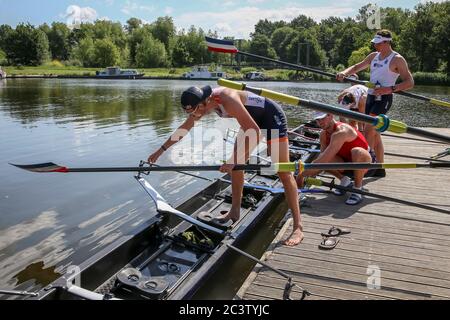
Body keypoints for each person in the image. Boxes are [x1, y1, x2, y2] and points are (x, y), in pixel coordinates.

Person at [147, 85, 304, 246]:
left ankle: (298, 226)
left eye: (195, 111)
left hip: (271, 118)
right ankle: (234, 211)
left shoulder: (227, 97)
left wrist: (233, 160)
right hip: (250, 122)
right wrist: (160, 151)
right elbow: (184, 128)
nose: (194, 116)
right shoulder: (201, 103)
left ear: (204, 102)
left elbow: (255, 132)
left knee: (283, 171)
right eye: (190, 113)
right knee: (236, 167)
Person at [336, 29, 414, 177]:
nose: (375, 46)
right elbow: (357, 67)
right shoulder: (373, 56)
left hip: (384, 99)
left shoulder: (397, 59)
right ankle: (379, 167)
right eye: (374, 43)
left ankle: (364, 166)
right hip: (371, 96)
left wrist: (389, 89)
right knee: (375, 133)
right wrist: (344, 73)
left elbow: (410, 82)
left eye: (378, 43)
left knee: (369, 130)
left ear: (387, 42)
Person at [296, 112, 372, 205]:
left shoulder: (341, 132)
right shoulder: (323, 135)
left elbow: (322, 161)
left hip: (366, 164)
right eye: (317, 120)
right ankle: (345, 180)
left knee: (357, 152)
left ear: (331, 115)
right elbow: (321, 160)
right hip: (346, 164)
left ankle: (357, 190)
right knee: (324, 157)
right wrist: (305, 172)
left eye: (322, 118)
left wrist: (301, 175)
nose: (320, 122)